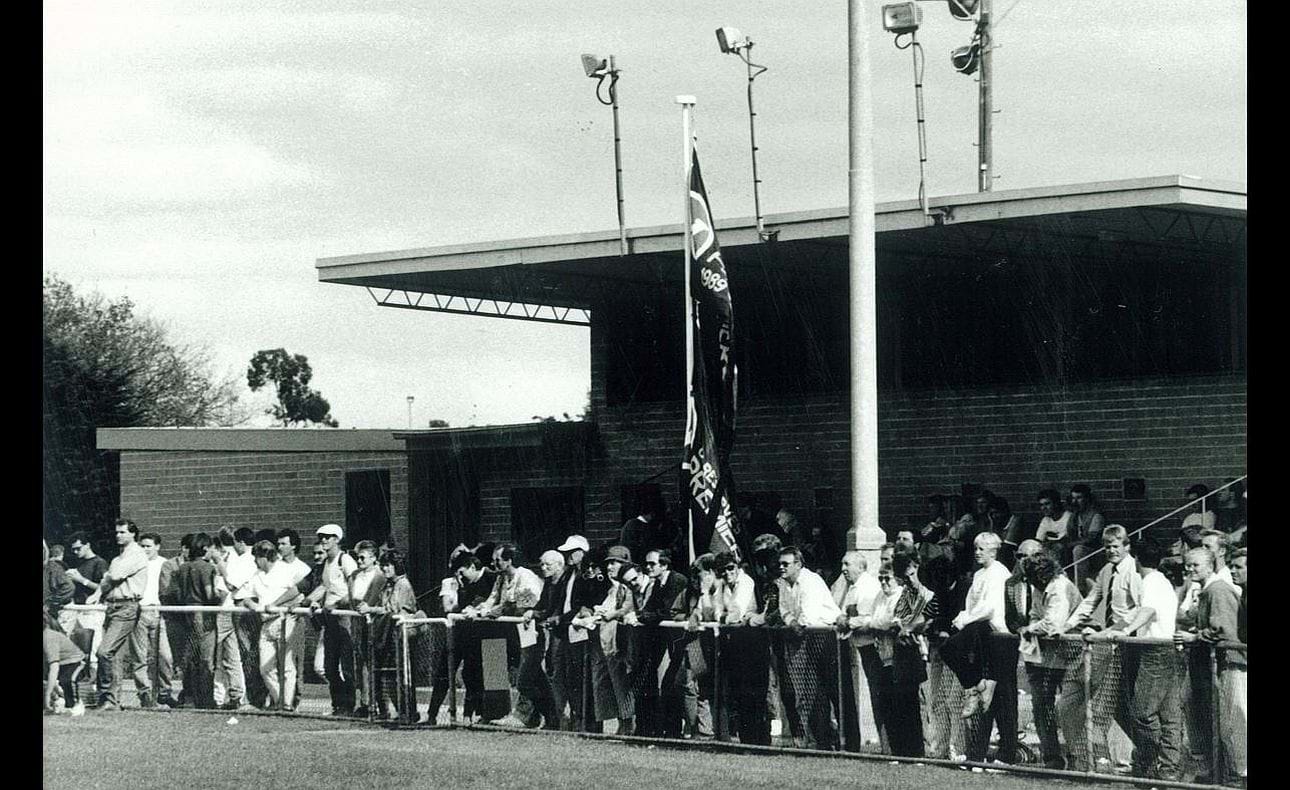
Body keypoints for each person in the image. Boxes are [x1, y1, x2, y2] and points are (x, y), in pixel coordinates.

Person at [1059, 524, 1143, 772]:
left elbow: (1139, 608)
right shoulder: (1107, 570)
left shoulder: (1133, 571)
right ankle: (1092, 758)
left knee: (1123, 704)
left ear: (1126, 546)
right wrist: (1068, 624)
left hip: (1126, 642)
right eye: (1107, 547)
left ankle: (1146, 752)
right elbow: (1091, 600)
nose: (1111, 551)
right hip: (1106, 643)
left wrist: (1115, 629)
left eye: (1116, 546)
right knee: (1100, 703)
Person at [1101, 540, 1184, 781]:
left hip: (1156, 650)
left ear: (1136, 559)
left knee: (1143, 712)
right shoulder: (1162, 581)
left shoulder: (1151, 582)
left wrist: (1127, 632)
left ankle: (1149, 763)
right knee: (1168, 716)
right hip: (1165, 649)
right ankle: (1167, 771)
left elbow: (1148, 611)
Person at [1174, 547, 1245, 785]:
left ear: (1209, 565)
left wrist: (1195, 637)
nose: (1189, 569)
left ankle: (1234, 773)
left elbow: (1223, 628)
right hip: (1208, 663)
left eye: (1195, 565)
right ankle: (1215, 768)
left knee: (1229, 719)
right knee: (1199, 711)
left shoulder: (1218, 589)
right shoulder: (1206, 590)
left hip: (1227, 663)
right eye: (1187, 565)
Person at [1016, 550, 1083, 770]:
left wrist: (1030, 629)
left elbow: (1054, 623)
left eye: (1036, 577)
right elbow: (1036, 615)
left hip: (1073, 653)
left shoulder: (1061, 586)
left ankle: (1079, 759)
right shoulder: (1039, 588)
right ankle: (1051, 758)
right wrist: (1034, 627)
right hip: (1045, 654)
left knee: (1069, 708)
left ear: (1044, 574)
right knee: (1041, 704)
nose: (1033, 582)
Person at [480, 543, 557, 729]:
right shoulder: (501, 579)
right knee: (522, 674)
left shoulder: (526, 577)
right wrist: (481, 609)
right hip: (512, 633)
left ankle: (546, 715)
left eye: (498, 560)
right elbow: (492, 599)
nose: (494, 563)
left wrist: (500, 609)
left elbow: (526, 606)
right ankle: (525, 715)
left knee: (528, 678)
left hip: (530, 633)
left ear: (509, 560)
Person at [938, 532, 1011, 721]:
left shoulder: (999, 572)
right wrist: (962, 617)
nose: (977, 553)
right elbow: (971, 604)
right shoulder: (978, 574)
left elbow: (989, 608)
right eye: (976, 549)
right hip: (976, 626)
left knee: (950, 648)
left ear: (993, 552)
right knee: (948, 649)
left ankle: (976, 688)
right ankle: (976, 687)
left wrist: (966, 620)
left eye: (982, 549)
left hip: (992, 628)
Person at [775, 545, 841, 750]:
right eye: (780, 564)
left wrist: (795, 623)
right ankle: (821, 739)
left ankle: (843, 740)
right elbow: (784, 610)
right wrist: (792, 622)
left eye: (785, 564)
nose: (781, 568)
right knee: (809, 692)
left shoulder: (810, 581)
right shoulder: (783, 584)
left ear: (798, 564)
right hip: (801, 636)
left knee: (831, 691)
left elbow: (809, 616)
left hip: (823, 636)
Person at [877, 551, 934, 757]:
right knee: (898, 703)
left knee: (912, 703)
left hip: (915, 653)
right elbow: (893, 619)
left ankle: (917, 751)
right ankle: (900, 751)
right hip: (898, 653)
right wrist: (900, 625)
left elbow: (926, 617)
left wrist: (907, 626)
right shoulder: (904, 595)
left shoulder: (925, 593)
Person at [625, 548, 688, 738]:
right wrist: (639, 615)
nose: (648, 567)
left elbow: (667, 611)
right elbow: (651, 608)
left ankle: (673, 731)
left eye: (652, 564)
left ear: (664, 564)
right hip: (663, 638)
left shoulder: (675, 581)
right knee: (648, 677)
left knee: (673, 683)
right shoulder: (658, 583)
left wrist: (641, 616)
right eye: (647, 563)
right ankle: (650, 728)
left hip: (678, 640)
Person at [94, 519, 153, 711]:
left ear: (133, 534)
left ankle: (107, 696)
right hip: (112, 606)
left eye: (123, 532)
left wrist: (109, 577)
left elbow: (116, 575)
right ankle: (112, 701)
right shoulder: (118, 557)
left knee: (104, 651)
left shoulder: (137, 554)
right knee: (114, 656)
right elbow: (105, 581)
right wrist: (104, 584)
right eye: (117, 532)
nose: (118, 535)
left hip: (127, 606)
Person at [712, 550, 768, 745]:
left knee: (754, 692)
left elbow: (736, 611)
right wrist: (724, 616)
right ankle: (747, 739)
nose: (727, 573)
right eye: (722, 571)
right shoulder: (722, 586)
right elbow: (716, 610)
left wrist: (724, 617)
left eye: (730, 568)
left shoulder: (746, 582)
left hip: (752, 642)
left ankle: (761, 740)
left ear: (737, 566)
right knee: (739, 692)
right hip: (733, 642)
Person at [243, 540, 305, 710]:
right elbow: (246, 597)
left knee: (287, 666)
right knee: (265, 668)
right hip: (265, 624)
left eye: (257, 557)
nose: (255, 561)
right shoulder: (256, 576)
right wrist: (254, 606)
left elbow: (298, 593)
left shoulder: (286, 570)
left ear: (264, 556)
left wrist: (278, 606)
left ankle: (286, 705)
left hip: (285, 621)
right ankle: (279, 701)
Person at [307, 523, 359, 716]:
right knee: (329, 666)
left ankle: (349, 705)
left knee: (347, 665)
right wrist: (309, 600)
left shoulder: (344, 560)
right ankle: (337, 704)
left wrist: (338, 605)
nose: (324, 541)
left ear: (336, 539)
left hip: (343, 617)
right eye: (322, 537)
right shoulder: (327, 564)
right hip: (330, 618)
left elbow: (354, 590)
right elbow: (324, 587)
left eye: (327, 537)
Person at [534, 549, 587, 730]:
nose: (543, 568)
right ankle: (553, 717)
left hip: (559, 634)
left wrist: (553, 617)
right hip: (502, 636)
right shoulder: (550, 581)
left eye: (547, 564)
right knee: (545, 675)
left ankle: (560, 717)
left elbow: (557, 608)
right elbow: (543, 607)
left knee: (557, 675)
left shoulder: (569, 578)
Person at [833, 550, 879, 753]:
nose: (843, 569)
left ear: (861, 567)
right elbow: (841, 614)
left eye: (847, 564)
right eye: (842, 564)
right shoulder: (852, 588)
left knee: (878, 696)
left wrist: (847, 622)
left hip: (872, 647)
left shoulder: (867, 587)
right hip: (856, 646)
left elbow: (868, 618)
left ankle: (885, 745)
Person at [362, 549, 417, 720]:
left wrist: (370, 609)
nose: (384, 569)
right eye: (383, 565)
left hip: (401, 634)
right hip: (387, 633)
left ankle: (408, 711)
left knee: (402, 673)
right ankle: (397, 710)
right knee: (388, 673)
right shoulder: (387, 584)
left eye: (388, 565)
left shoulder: (403, 584)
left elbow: (392, 607)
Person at [171, 533, 224, 708]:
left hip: (186, 614)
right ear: (204, 548)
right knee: (206, 660)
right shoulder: (206, 568)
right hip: (204, 615)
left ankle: (189, 697)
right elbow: (209, 594)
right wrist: (221, 598)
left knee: (191, 658)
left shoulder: (182, 568)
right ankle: (206, 699)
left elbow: (176, 594)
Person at [590, 545, 637, 735]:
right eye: (608, 563)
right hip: (608, 641)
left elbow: (628, 607)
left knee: (622, 683)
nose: (609, 567)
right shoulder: (613, 588)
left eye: (614, 563)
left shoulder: (629, 587)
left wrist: (611, 614)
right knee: (610, 683)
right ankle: (620, 721)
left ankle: (627, 723)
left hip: (623, 642)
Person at [209, 526, 253, 710]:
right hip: (227, 610)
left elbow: (229, 586)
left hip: (232, 609)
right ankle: (224, 697)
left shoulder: (247, 561)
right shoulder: (235, 558)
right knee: (223, 657)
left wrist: (220, 567)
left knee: (230, 655)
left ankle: (239, 696)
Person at [131, 532, 174, 709]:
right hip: (139, 612)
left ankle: (164, 692)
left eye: (148, 546)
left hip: (158, 612)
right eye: (142, 545)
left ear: (157, 546)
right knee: (140, 656)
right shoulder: (134, 563)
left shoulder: (164, 563)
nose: (145, 549)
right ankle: (144, 694)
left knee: (165, 656)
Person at [348, 540, 386, 719]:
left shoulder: (379, 576)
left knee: (373, 663)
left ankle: (378, 704)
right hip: (358, 622)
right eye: (358, 557)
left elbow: (374, 598)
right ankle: (364, 702)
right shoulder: (355, 575)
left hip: (375, 624)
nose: (360, 561)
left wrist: (366, 608)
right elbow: (352, 598)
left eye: (363, 557)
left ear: (373, 558)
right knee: (361, 663)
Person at [64, 532, 109, 677]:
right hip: (77, 609)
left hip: (92, 611)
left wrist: (81, 579)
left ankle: (95, 683)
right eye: (74, 550)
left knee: (94, 647)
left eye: (78, 548)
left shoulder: (99, 563)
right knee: (78, 648)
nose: (76, 552)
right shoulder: (79, 563)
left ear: (87, 545)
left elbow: (104, 588)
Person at [45, 612, 86, 715]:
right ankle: (58, 699)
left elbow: (54, 667)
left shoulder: (48, 638)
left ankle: (75, 704)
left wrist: (47, 695)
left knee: (67, 680)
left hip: (74, 662)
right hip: (59, 665)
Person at [1069, 484, 1107, 590]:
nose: (1075, 502)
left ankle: (1080, 588)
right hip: (1081, 554)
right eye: (1073, 498)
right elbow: (1070, 535)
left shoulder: (1096, 516)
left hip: (1097, 554)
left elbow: (1091, 539)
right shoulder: (1075, 516)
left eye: (1079, 498)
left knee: (1079, 549)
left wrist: (1069, 544)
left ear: (1087, 499)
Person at [1034, 488, 1072, 564]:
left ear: (1056, 503)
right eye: (1041, 505)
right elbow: (1038, 540)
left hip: (1066, 552)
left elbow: (1067, 539)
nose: (1044, 508)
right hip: (1050, 551)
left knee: (1057, 547)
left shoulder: (1069, 517)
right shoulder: (1045, 520)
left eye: (1047, 504)